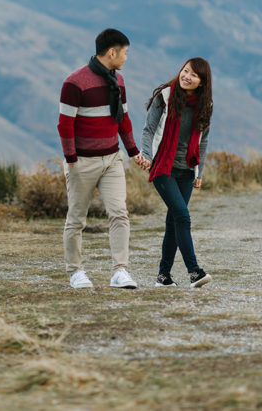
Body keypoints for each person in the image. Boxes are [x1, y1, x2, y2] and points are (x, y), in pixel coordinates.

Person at [58, 28, 151, 290]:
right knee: (77, 218)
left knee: (119, 213)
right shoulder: (74, 83)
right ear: (112, 52)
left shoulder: (118, 81)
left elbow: (123, 120)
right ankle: (76, 272)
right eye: (125, 53)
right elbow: (65, 124)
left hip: (112, 159)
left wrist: (133, 153)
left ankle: (120, 271)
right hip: (82, 163)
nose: (126, 58)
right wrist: (71, 158)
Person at [141, 57, 213, 288]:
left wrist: (199, 171)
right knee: (182, 216)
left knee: (174, 220)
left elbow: (203, 141)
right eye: (185, 71)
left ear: (201, 82)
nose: (186, 76)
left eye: (193, 74)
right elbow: (149, 129)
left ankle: (163, 276)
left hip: (186, 170)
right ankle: (194, 271)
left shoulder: (205, 105)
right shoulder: (164, 97)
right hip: (163, 166)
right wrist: (146, 155)